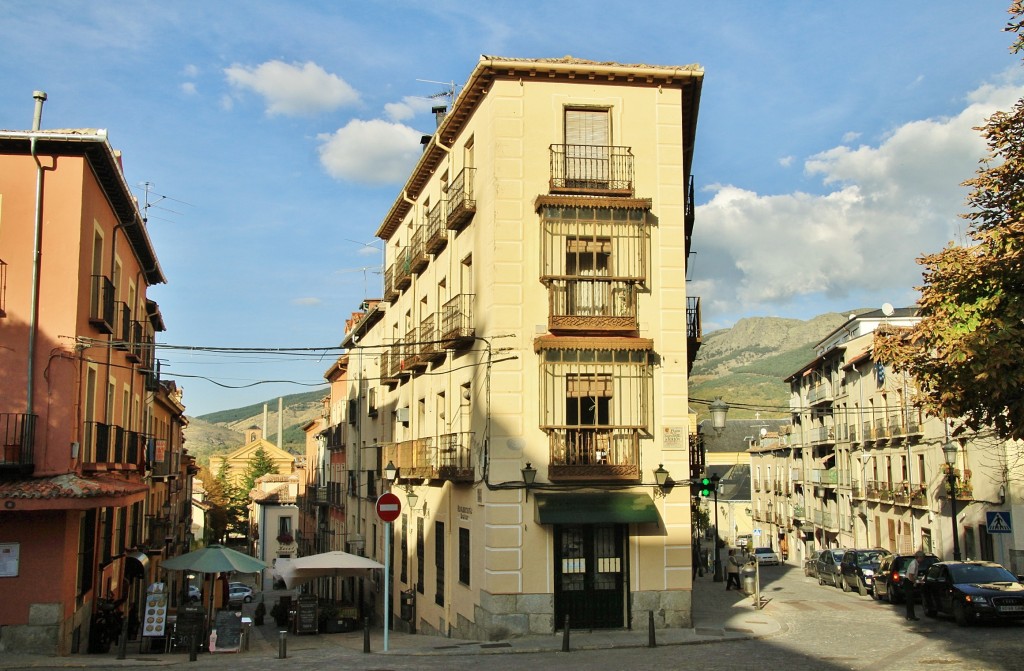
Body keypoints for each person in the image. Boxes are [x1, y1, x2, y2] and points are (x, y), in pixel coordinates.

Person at [904, 550, 925, 621]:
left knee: (911, 600)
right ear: (919, 557)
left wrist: (919, 580)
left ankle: (911, 615)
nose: (923, 559)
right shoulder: (914, 564)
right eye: (922, 558)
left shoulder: (916, 563)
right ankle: (910, 616)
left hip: (909, 581)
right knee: (910, 600)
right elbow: (910, 576)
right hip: (908, 582)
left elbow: (914, 575)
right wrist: (915, 582)